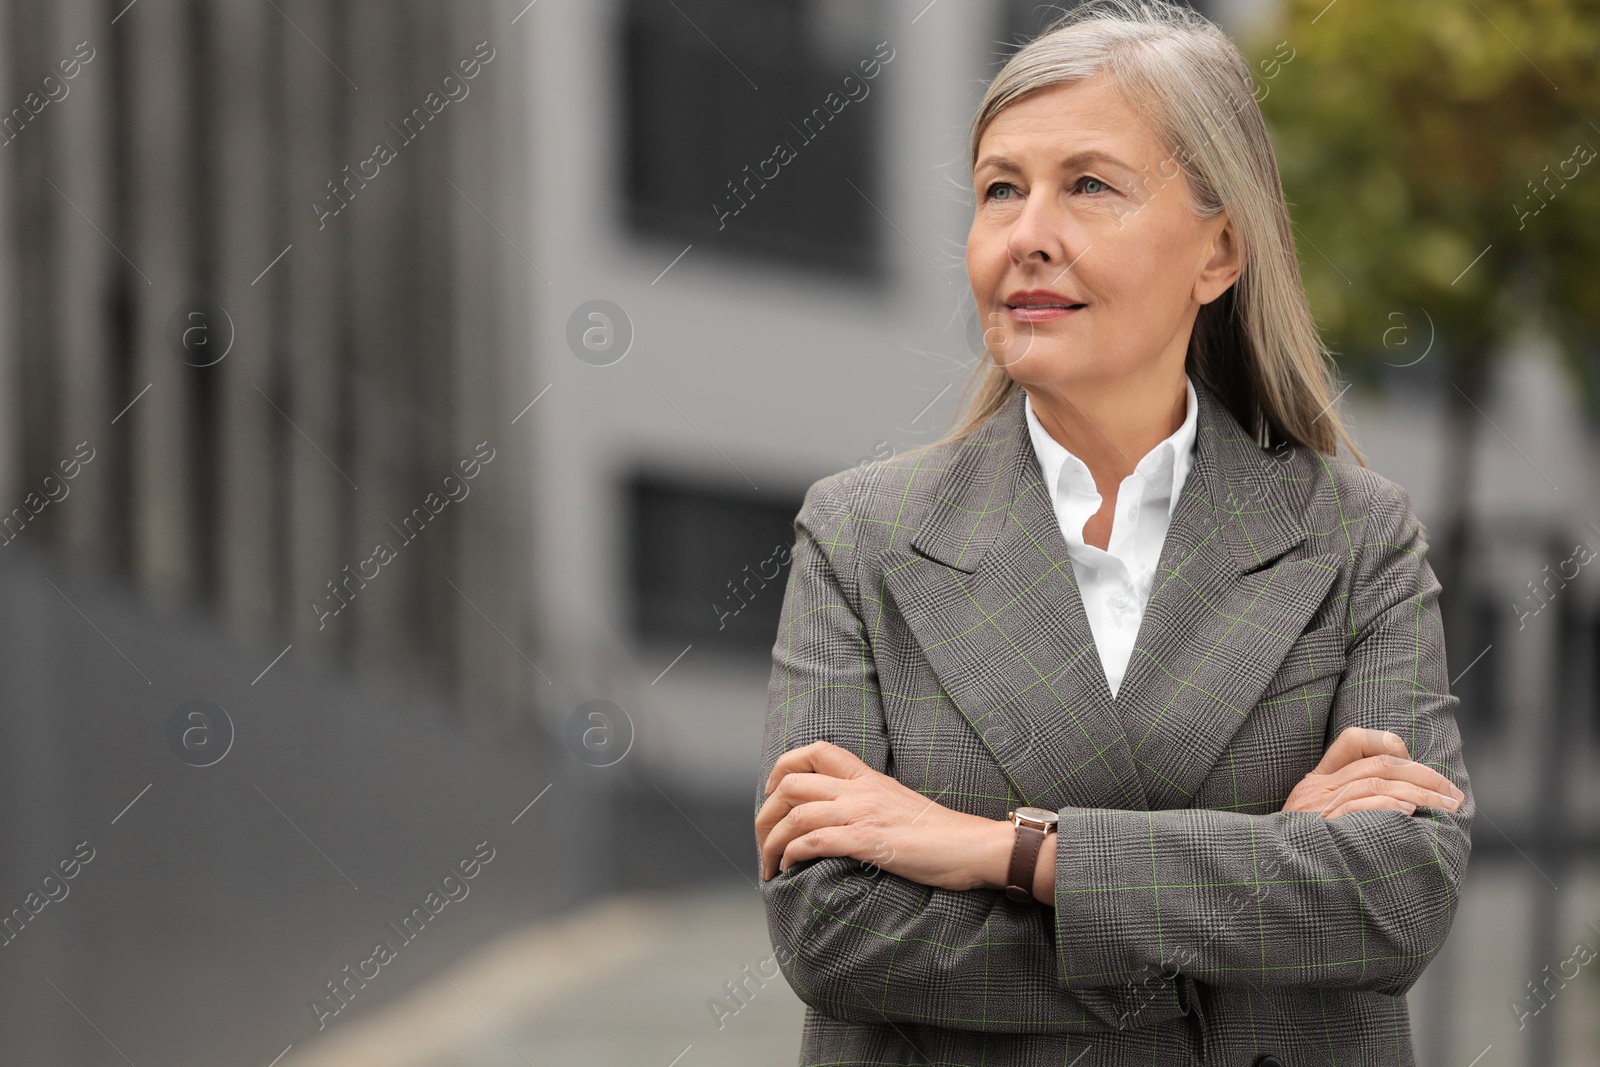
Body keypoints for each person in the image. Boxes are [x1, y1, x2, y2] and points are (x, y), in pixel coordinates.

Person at [752, 1, 1473, 1064]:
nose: (1027, 233)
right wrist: (1258, 891)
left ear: (1218, 250)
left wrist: (1002, 847)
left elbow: (1394, 895)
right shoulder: (861, 537)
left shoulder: (1356, 537)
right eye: (1002, 188)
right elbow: (833, 930)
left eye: (1088, 185)